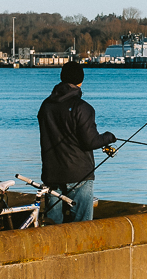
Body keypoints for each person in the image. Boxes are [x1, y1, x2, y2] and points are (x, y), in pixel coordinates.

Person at [36, 61, 117, 223]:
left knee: (52, 227)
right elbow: (91, 141)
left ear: (62, 77)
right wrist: (109, 137)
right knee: (82, 227)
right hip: (79, 174)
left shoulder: (45, 106)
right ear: (81, 80)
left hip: (52, 174)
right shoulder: (83, 108)